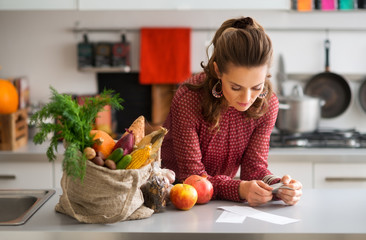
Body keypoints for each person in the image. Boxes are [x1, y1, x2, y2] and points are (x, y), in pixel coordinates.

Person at [161, 16, 302, 206]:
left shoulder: (268, 105)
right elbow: (192, 178)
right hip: (172, 199)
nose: (246, 99)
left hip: (220, 203)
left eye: (256, 87)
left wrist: (278, 187)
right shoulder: (189, 99)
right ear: (218, 71)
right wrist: (239, 189)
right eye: (236, 87)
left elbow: (254, 169)